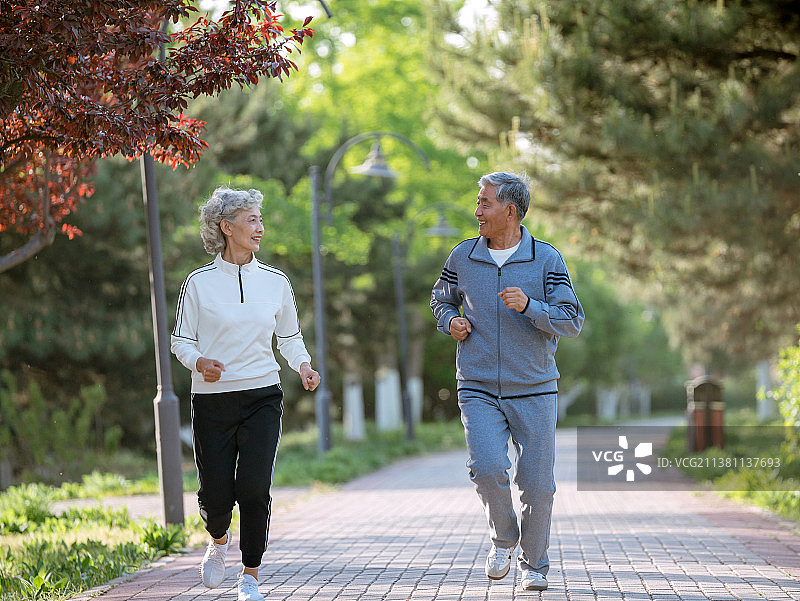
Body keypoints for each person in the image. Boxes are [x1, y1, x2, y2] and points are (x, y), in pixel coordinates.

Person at [430, 171, 583, 591]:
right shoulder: (463, 256)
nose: (477, 210)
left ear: (510, 210)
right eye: (478, 202)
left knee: (537, 486)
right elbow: (439, 298)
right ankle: (504, 539)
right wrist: (450, 321)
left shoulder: (546, 259)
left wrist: (532, 306)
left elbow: (572, 321)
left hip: (534, 387)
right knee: (486, 468)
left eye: (485, 203)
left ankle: (534, 565)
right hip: (477, 383)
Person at [171, 187, 320, 601]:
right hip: (213, 400)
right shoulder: (198, 284)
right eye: (251, 220)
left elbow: (289, 336)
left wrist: (304, 365)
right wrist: (200, 362)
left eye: (259, 219)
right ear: (227, 227)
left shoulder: (275, 282)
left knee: (254, 488)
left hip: (262, 396)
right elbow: (180, 340)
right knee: (216, 493)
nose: (260, 227)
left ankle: (250, 576)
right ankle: (217, 540)